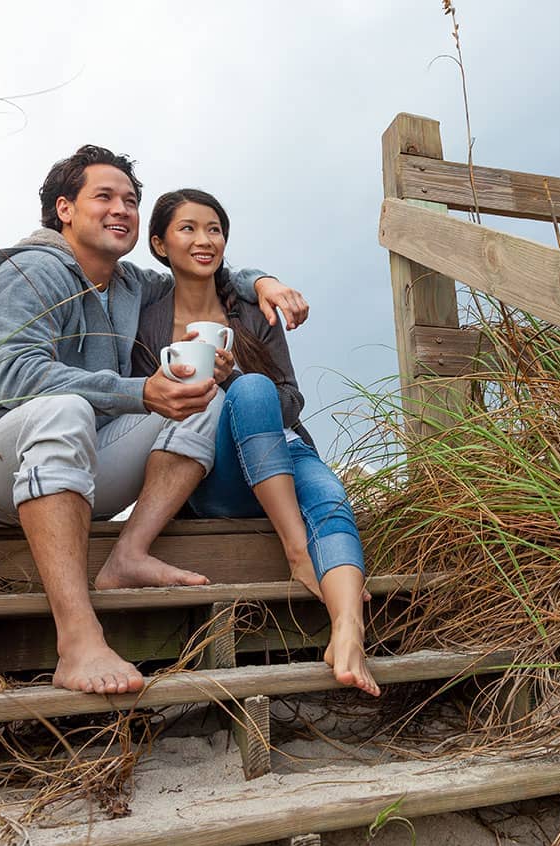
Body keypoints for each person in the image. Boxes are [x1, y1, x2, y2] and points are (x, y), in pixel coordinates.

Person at [0, 146, 309, 696]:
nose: (122, 208)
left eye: (131, 200)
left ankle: (128, 554)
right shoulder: (27, 271)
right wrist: (138, 391)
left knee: (200, 391)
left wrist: (264, 282)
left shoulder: (130, 283)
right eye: (105, 196)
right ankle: (78, 639)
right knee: (66, 408)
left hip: (83, 468)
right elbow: (13, 374)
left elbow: (207, 270)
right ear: (64, 209)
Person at [133, 189, 379, 697]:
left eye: (214, 229)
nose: (204, 240)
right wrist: (220, 389)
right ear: (159, 243)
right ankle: (296, 548)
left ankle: (348, 630)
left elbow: (291, 398)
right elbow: (149, 414)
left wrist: (243, 383)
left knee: (329, 498)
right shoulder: (145, 312)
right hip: (214, 475)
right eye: (188, 229)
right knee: (246, 389)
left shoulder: (250, 310)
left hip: (282, 449)